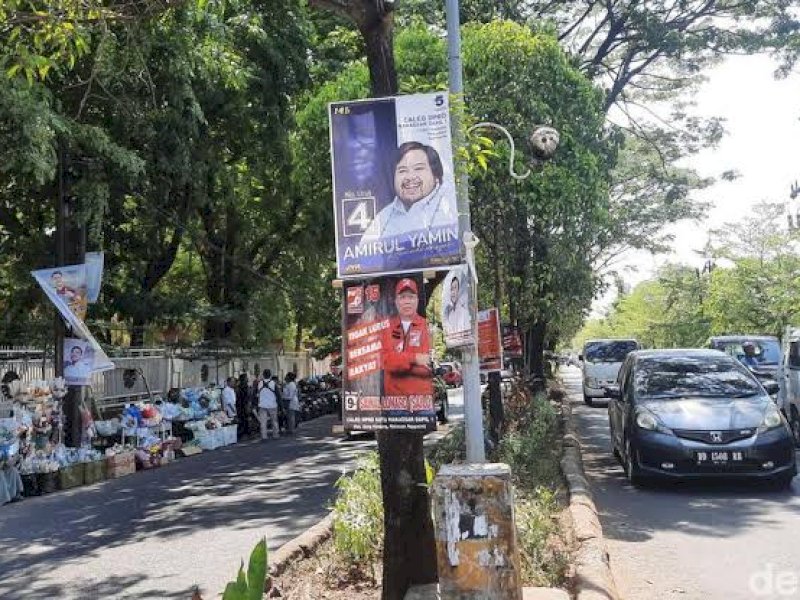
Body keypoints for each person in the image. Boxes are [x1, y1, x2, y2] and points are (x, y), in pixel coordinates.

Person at [360, 141, 457, 241]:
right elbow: (364, 252)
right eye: (402, 170)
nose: (410, 177)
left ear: (436, 175)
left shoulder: (450, 206)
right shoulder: (384, 217)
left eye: (418, 168)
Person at [381, 278, 433, 397]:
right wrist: (415, 358)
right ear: (396, 301)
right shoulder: (387, 327)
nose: (407, 301)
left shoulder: (425, 326)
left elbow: (425, 366)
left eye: (411, 297)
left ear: (417, 300)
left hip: (421, 400)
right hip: (395, 401)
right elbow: (387, 362)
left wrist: (400, 361)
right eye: (402, 297)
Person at [443, 275, 471, 339]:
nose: (453, 292)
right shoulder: (448, 313)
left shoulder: (464, 312)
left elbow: (467, 336)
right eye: (451, 289)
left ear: (459, 290)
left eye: (455, 288)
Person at [257, 369, 280, 440]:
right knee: (274, 421)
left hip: (262, 405)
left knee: (263, 422)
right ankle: (275, 434)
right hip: (272, 405)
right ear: (270, 375)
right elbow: (278, 395)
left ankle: (264, 436)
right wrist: (281, 406)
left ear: (263, 375)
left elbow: (256, 393)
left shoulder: (259, 383)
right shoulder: (273, 383)